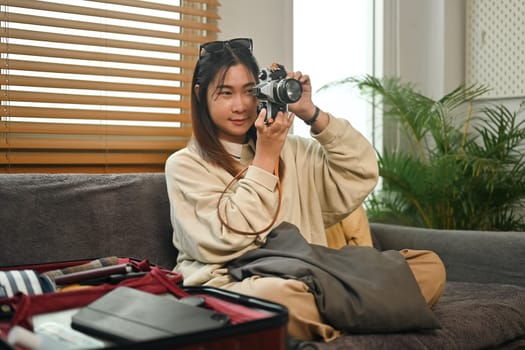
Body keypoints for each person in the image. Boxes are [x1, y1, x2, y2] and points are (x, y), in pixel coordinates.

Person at [165, 38, 446, 342]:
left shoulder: (294, 151)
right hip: (234, 282)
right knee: (277, 299)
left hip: (315, 273)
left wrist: (311, 113)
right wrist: (266, 157)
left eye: (249, 92)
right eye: (225, 93)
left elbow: (361, 171)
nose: (241, 106)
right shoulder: (185, 165)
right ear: (200, 95)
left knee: (430, 266)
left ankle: (343, 313)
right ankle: (375, 309)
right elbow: (229, 237)